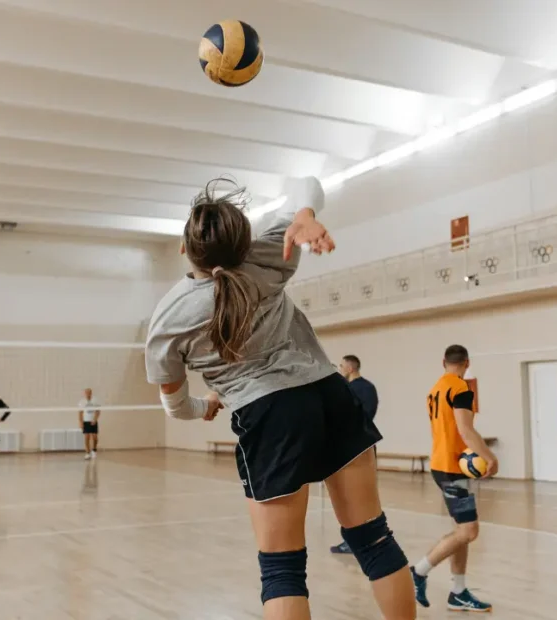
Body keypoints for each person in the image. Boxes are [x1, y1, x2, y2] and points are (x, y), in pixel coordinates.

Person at [145, 177, 415, 620]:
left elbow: (173, 404)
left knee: (283, 570)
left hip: (269, 415)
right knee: (373, 539)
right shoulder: (270, 252)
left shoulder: (169, 317)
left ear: (183, 248)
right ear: (241, 239)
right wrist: (304, 217)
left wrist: (204, 405)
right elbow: (306, 182)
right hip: (330, 393)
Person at [410, 344, 497, 612]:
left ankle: (458, 592)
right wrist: (489, 457)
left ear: (443, 362)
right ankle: (419, 571)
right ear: (467, 362)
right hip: (450, 468)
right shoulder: (460, 388)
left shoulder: (435, 389)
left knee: (462, 531)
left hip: (443, 463)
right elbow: (465, 430)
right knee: (469, 531)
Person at [329, 354, 380, 555]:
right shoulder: (351, 387)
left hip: (357, 449)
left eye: (341, 366)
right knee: (350, 498)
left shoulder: (363, 388)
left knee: (356, 498)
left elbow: (360, 416)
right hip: (349, 448)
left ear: (350, 368)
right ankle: (355, 539)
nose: (340, 369)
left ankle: (360, 540)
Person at [78, 388, 100, 460]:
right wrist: (81, 422)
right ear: (85, 393)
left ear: (91, 393)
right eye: (86, 392)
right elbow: (80, 413)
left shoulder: (95, 400)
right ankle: (87, 453)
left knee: (95, 437)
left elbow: (98, 411)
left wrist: (95, 419)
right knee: (87, 437)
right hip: (86, 421)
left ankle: (94, 450)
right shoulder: (82, 401)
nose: (88, 394)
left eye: (89, 392)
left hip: (93, 421)